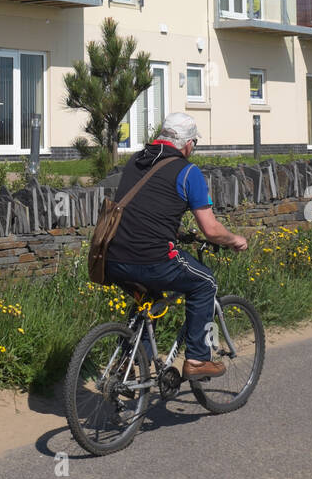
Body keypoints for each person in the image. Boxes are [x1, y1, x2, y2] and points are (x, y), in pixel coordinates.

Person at [104, 113, 248, 380]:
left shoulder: (136, 160)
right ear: (188, 144)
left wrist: (178, 232)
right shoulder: (188, 172)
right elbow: (211, 229)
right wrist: (235, 240)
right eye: (194, 144)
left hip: (112, 257)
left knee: (151, 299)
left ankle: (131, 363)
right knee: (205, 283)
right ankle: (196, 359)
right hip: (153, 259)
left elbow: (144, 210)